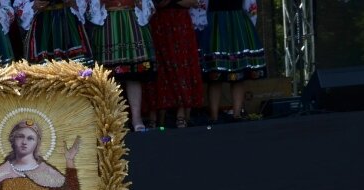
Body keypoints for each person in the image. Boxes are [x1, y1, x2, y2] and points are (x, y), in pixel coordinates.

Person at [88, 0, 154, 131]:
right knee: (110, 76)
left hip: (131, 21)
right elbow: (91, 9)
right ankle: (115, 119)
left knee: (134, 74)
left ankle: (136, 118)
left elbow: (147, 7)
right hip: (108, 22)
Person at [197, 0, 265, 122]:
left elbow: (250, 4)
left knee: (238, 72)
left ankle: (237, 114)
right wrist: (200, 23)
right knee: (215, 72)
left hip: (237, 21)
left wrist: (250, 22)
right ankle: (214, 116)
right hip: (215, 22)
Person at [143, 0, 203, 128]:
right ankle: (156, 115)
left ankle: (181, 113)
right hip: (159, 23)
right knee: (159, 66)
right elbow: (157, 4)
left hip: (181, 23)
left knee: (182, 64)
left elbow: (191, 2)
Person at [15, 0, 92, 65]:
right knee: (42, 70)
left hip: (68, 20)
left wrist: (74, 2)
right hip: (42, 24)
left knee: (77, 69)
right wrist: (34, 5)